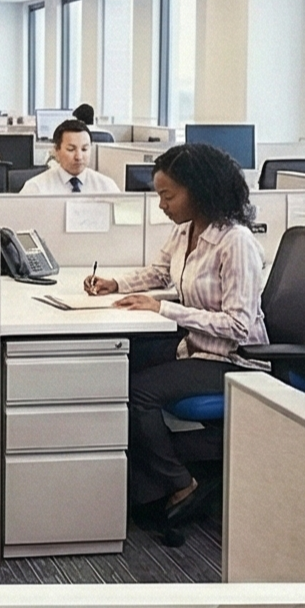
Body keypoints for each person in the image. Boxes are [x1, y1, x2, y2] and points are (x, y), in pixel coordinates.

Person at [83, 143, 267, 531]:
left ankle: (182, 484)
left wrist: (163, 309)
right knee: (120, 373)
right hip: (195, 348)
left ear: (199, 190)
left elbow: (238, 325)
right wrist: (114, 283)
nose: (162, 205)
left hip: (233, 359)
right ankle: (149, 492)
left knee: (138, 392)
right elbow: (159, 273)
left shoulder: (236, 243)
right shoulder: (186, 231)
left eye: (168, 195)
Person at [17, 119, 118, 195]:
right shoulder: (36, 188)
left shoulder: (106, 187)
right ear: (56, 150)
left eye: (84, 149)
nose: (79, 157)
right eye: (71, 149)